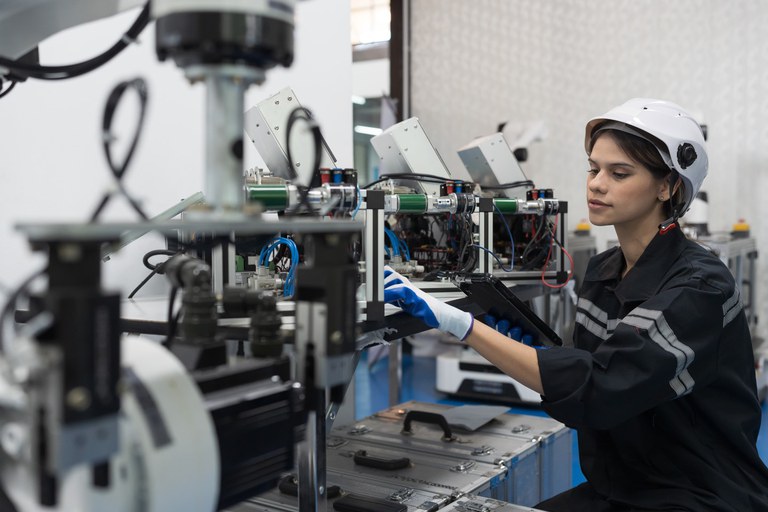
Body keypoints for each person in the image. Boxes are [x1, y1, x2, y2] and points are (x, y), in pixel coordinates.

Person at [383, 98, 768, 511]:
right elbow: (586, 375)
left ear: (668, 186)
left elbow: (599, 391)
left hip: (700, 494)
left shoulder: (699, 286)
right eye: (593, 167)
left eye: (619, 173)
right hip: (620, 485)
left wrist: (463, 326)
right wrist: (541, 352)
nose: (597, 184)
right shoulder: (605, 270)